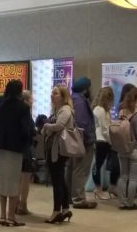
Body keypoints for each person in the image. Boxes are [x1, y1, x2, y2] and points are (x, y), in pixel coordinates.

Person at [0, 81, 35, 227]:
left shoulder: (1, 106)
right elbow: (26, 129)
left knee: (4, 181)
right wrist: (28, 141)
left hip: (0, 147)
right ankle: (11, 216)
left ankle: (3, 215)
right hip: (15, 147)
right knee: (15, 183)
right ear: (20, 92)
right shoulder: (23, 108)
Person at [41, 86, 75, 224]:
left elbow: (59, 126)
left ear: (62, 96)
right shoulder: (58, 110)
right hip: (56, 149)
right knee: (60, 178)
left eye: (55, 93)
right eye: (52, 93)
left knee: (57, 180)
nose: (52, 95)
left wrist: (46, 126)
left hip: (58, 150)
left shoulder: (65, 110)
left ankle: (56, 211)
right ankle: (65, 209)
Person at [65, 77, 98, 209]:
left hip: (72, 140)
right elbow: (82, 122)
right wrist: (84, 141)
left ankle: (68, 196)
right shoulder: (80, 102)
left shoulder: (72, 99)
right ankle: (78, 198)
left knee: (71, 169)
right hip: (83, 141)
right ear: (85, 89)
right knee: (80, 169)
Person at [92, 86, 116, 200]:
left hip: (100, 139)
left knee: (97, 165)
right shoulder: (101, 110)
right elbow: (104, 129)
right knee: (97, 165)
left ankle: (99, 188)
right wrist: (112, 141)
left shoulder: (99, 109)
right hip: (102, 140)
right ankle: (98, 189)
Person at [16, 90, 38, 215]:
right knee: (25, 178)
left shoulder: (14, 112)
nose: (32, 101)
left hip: (15, 149)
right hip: (25, 149)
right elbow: (31, 131)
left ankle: (16, 203)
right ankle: (22, 205)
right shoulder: (26, 113)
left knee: (17, 179)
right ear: (25, 100)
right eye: (31, 99)